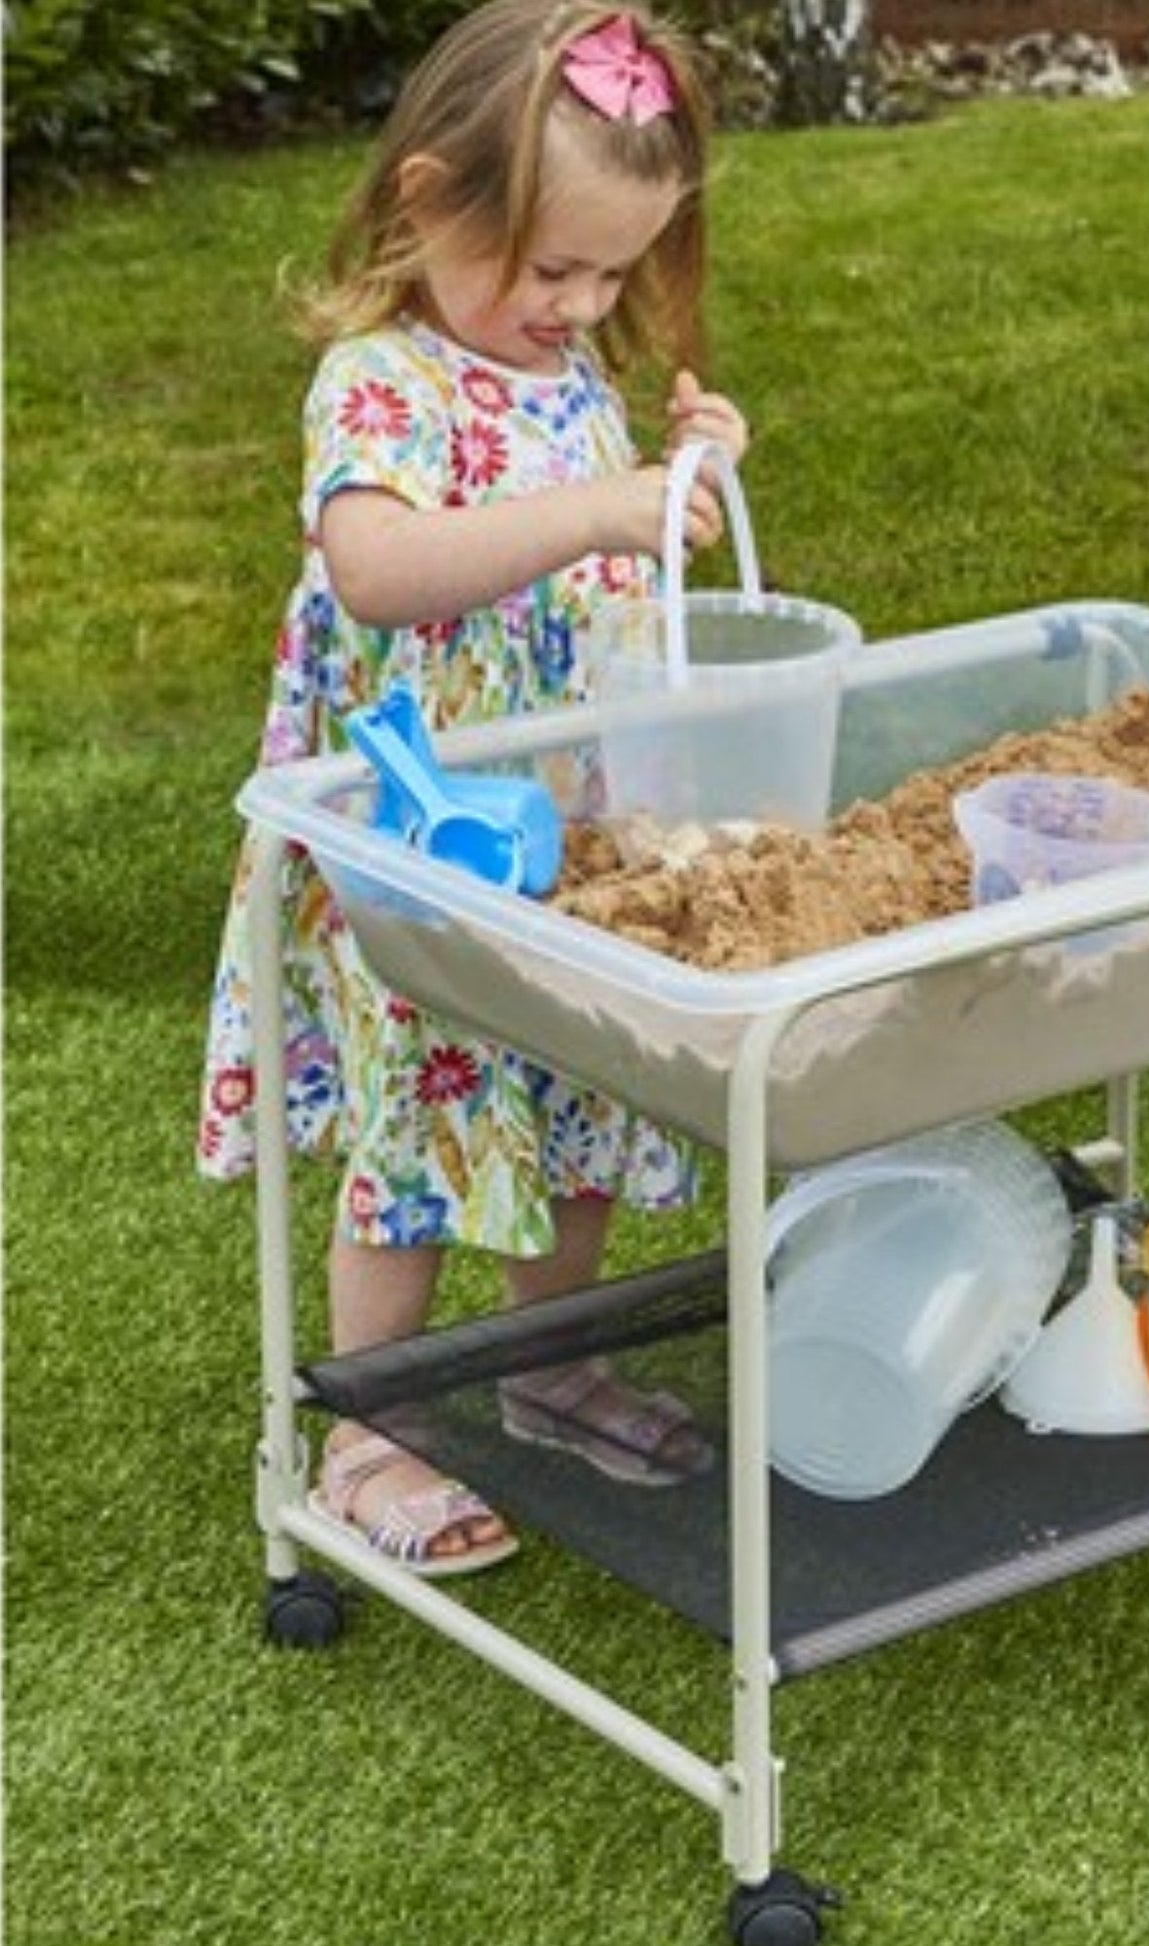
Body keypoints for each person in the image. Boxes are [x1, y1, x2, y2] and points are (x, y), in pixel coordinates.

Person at [197, 0, 749, 1572]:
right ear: (431, 200)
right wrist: (593, 509)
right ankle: (370, 1425)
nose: (582, 304)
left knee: (568, 1089)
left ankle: (547, 1367)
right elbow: (377, 570)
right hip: (415, 839)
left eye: (613, 271)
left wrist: (688, 475)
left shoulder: (568, 373)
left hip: (557, 829)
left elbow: (604, 560)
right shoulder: (382, 382)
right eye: (552, 268)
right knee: (421, 1120)